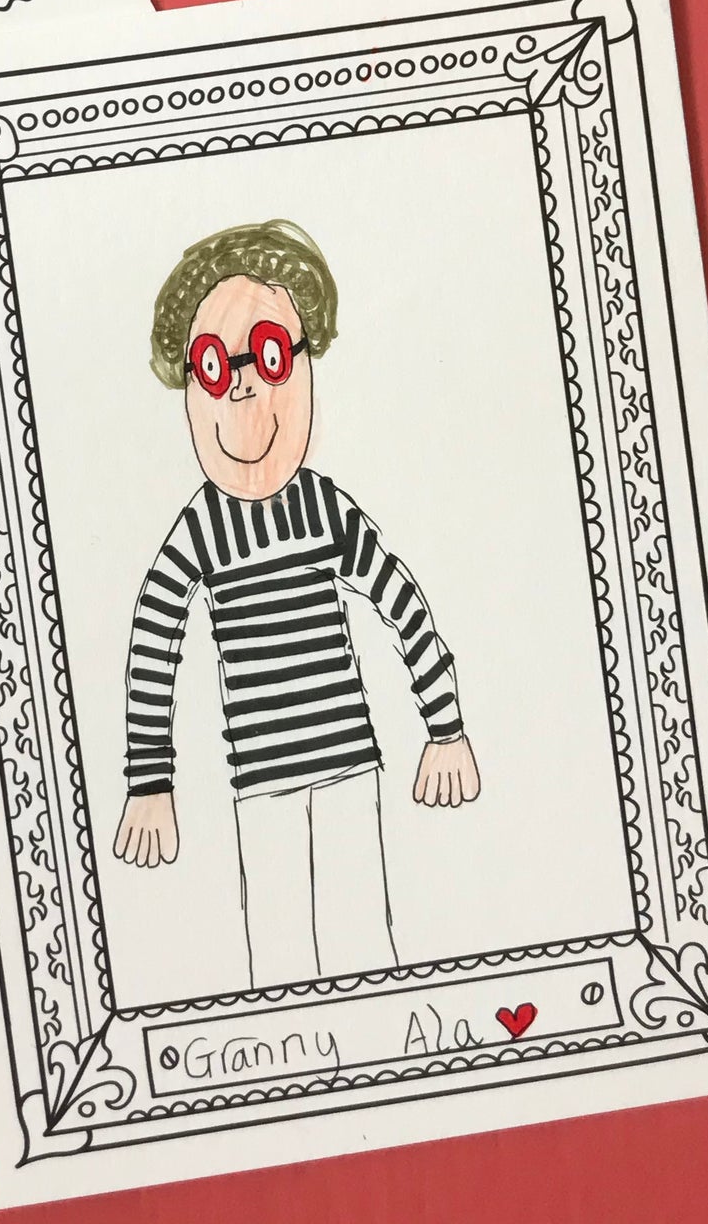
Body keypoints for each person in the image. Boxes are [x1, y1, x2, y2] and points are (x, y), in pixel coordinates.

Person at [112, 219, 481, 989]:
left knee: (363, 945)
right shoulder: (202, 530)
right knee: (278, 959)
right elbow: (153, 636)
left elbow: (401, 602)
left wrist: (445, 730)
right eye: (214, 368)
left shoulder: (325, 510)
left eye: (271, 356)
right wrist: (149, 783)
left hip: (348, 764)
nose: (245, 387)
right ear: (189, 391)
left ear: (306, 365)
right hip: (262, 784)